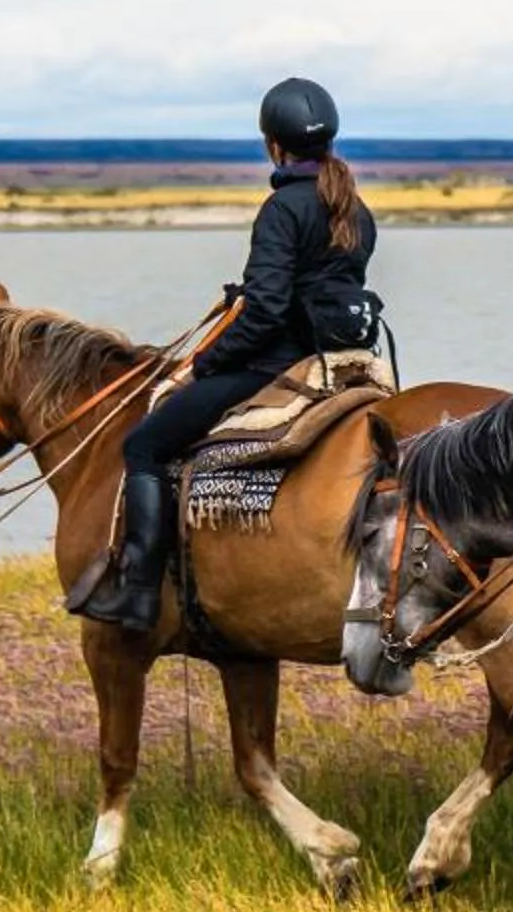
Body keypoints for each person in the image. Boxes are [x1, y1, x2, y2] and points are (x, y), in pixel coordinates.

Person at [74, 77, 380, 632]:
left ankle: (140, 593)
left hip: (277, 365)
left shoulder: (281, 209)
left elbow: (265, 314)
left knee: (143, 444)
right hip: (342, 359)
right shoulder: (355, 208)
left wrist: (205, 365)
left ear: (273, 145)